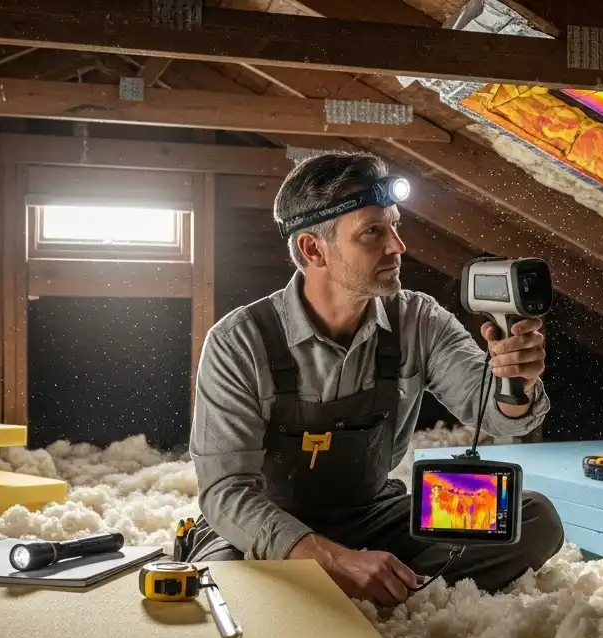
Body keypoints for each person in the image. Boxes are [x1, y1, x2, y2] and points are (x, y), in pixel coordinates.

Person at [182, 151, 565, 607]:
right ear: (312, 248)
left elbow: (501, 419)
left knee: (533, 519)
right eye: (373, 232)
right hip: (273, 527)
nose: (397, 246)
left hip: (373, 514)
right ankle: (364, 583)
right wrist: (331, 561)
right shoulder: (239, 340)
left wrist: (514, 381)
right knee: (221, 586)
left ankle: (366, 584)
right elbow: (226, 494)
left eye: (395, 226)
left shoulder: (418, 319)